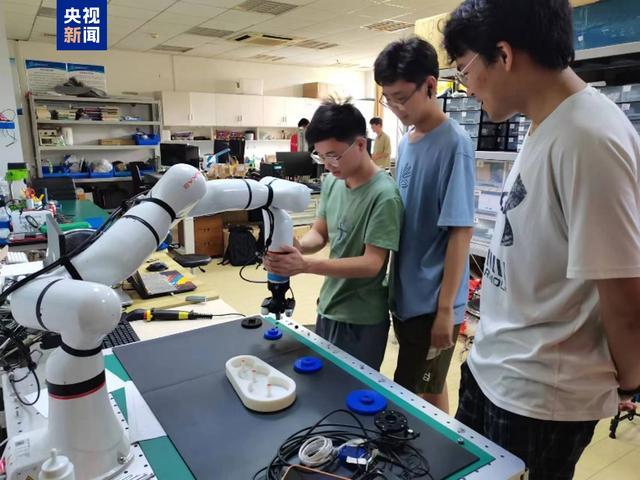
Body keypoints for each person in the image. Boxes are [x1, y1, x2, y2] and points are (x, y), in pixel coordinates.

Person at [442, 1, 640, 479]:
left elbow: (623, 293)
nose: (466, 87)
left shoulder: (589, 137)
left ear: (504, 55)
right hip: (496, 369)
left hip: (539, 398)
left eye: (464, 70)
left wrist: (630, 380)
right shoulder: (544, 123)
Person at [374, 37, 475, 413]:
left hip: (433, 302)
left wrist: (446, 310)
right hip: (406, 292)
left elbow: (460, 232)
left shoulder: (455, 143)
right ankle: (442, 444)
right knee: (431, 389)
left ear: (431, 86)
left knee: (407, 397)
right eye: (388, 99)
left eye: (402, 98)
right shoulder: (408, 142)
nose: (396, 108)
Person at [264, 98, 403, 370]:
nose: (327, 165)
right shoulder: (333, 183)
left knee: (349, 390)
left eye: (333, 155)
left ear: (360, 144)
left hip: (361, 319)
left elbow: (371, 264)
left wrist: (305, 265)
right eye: (320, 156)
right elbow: (320, 233)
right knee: (324, 384)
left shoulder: (384, 195)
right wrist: (297, 246)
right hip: (328, 307)